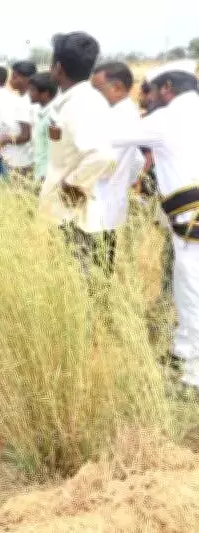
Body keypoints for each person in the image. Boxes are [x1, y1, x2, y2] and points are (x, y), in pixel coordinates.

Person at [110, 60, 199, 388]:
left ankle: (194, 375)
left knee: (192, 289)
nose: (148, 96)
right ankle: (184, 349)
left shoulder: (168, 117)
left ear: (167, 89)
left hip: (191, 220)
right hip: (186, 220)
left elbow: (112, 135)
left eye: (151, 90)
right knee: (184, 285)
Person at [38, 32, 116, 237]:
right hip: (69, 215)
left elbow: (102, 155)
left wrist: (72, 185)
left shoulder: (80, 104)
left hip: (76, 220)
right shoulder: (78, 100)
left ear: (59, 67)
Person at [75, 61, 145, 274]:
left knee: (92, 271)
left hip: (98, 202)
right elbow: (137, 161)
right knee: (99, 266)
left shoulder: (119, 118)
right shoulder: (123, 113)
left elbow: (104, 163)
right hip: (107, 202)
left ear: (117, 88)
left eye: (98, 89)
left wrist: (74, 177)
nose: (93, 96)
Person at [0, 61, 37, 178]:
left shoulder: (24, 102)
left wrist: (4, 140)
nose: (10, 81)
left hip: (20, 161)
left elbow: (25, 135)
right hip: (26, 158)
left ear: (26, 79)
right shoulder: (29, 98)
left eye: (14, 77)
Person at [28, 72, 58, 181]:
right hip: (39, 170)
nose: (29, 93)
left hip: (46, 174)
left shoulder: (52, 117)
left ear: (45, 93)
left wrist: (44, 176)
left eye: (32, 90)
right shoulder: (40, 113)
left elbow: (52, 150)